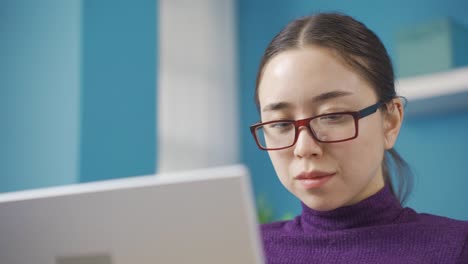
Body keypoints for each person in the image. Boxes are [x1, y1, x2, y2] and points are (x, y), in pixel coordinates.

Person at [249, 12, 468, 263]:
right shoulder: (243, 251)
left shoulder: (456, 248)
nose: (304, 148)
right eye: (281, 123)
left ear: (390, 121)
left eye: (332, 116)